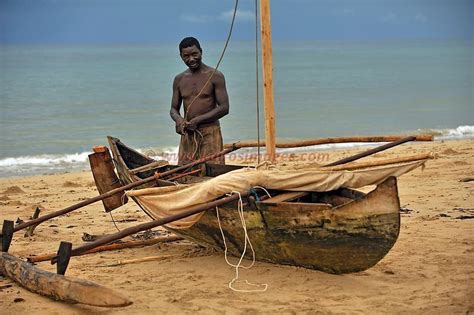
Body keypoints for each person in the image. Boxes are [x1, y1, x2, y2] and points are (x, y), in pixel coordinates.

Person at [170, 37, 229, 165]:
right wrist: (178, 120)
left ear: (201, 52)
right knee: (185, 173)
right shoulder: (179, 79)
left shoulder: (215, 76)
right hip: (188, 134)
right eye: (186, 56)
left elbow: (224, 108)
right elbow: (173, 109)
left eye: (194, 54)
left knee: (213, 172)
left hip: (210, 132)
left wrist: (198, 120)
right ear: (181, 56)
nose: (191, 59)